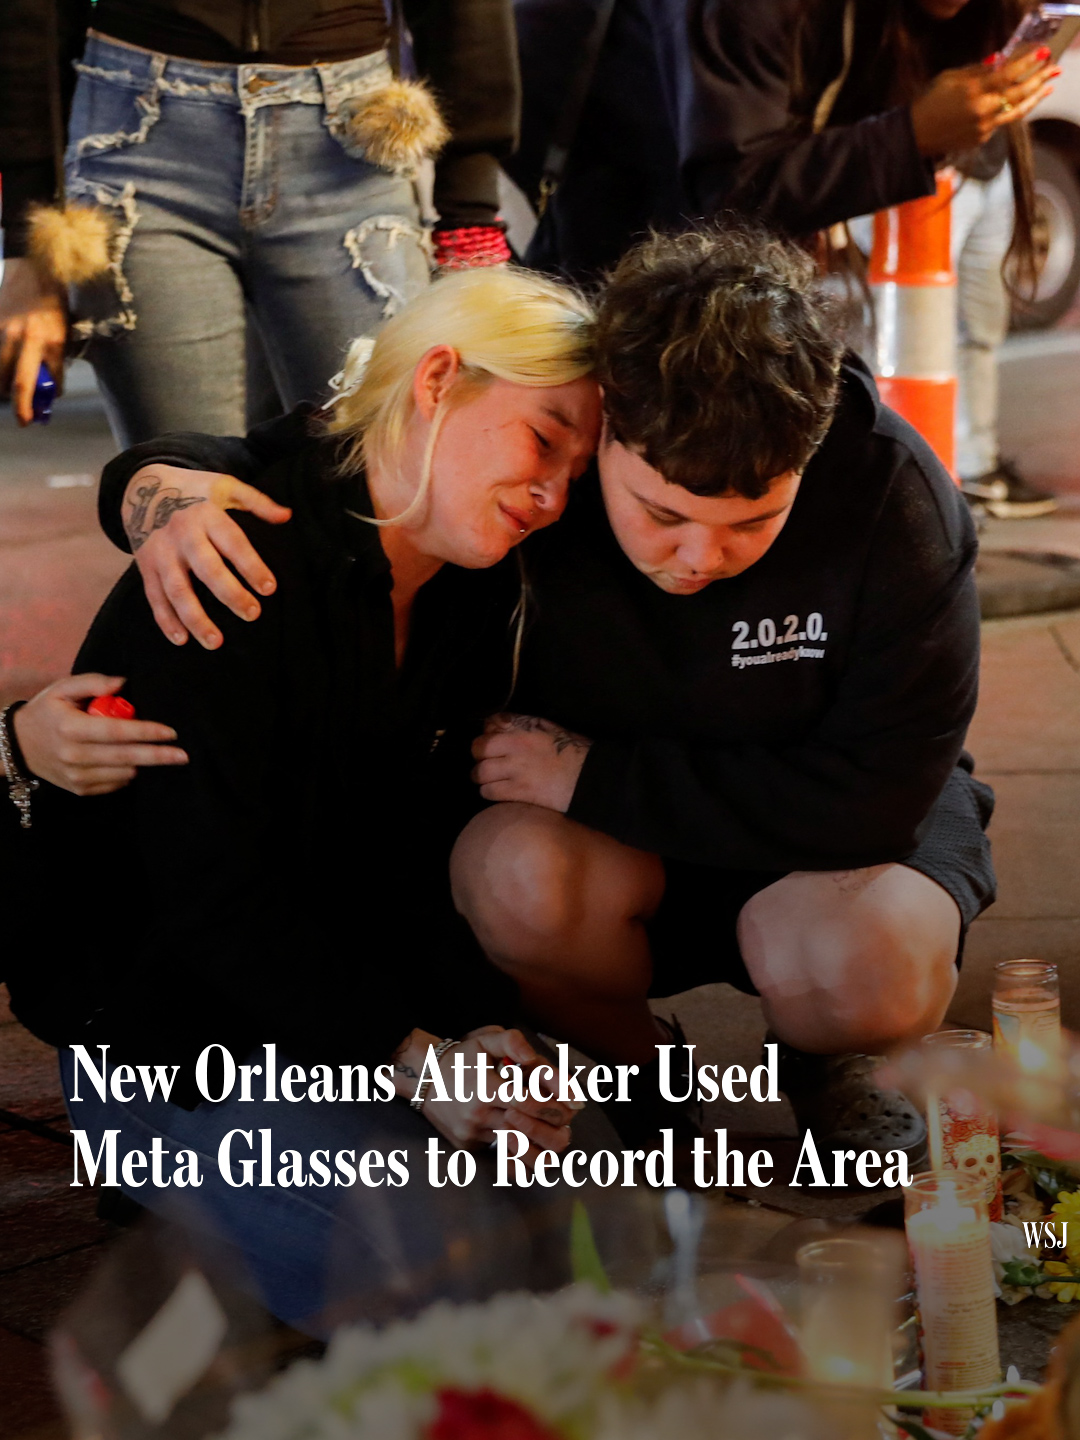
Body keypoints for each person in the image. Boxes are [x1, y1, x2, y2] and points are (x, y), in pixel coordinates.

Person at [45, 225, 995, 1164]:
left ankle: (832, 1061)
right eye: (661, 513)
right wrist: (158, 484)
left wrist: (594, 779)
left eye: (753, 524)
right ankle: (639, 1075)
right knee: (505, 883)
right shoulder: (553, 458)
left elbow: (878, 800)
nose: (700, 559)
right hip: (601, 838)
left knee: (863, 963)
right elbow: (323, 454)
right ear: (611, 420)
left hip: (820, 833)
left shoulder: (891, 493)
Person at [0, 265, 604, 1329]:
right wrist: (420, 1059)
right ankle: (164, 1177)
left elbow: (418, 854)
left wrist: (483, 1031)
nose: (554, 493)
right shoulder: (236, 558)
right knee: (456, 1283)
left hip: (335, 1019)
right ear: (437, 380)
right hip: (163, 1038)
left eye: (579, 466)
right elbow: (206, 903)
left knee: (603, 1208)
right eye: (542, 439)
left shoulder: (471, 582)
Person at [509, 0, 1057, 516]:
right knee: (645, 496)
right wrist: (908, 136)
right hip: (630, 266)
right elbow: (729, 196)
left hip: (703, 281)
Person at [0, 0, 519, 440]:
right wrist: (26, 248)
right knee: (186, 491)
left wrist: (468, 216)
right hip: (139, 144)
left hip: (351, 140)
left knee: (384, 479)